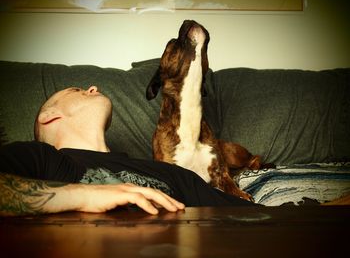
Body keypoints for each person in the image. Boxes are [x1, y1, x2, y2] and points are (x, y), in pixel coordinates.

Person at [0, 86, 257, 217]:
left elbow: (250, 219)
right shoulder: (40, 158)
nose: (91, 87)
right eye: (76, 91)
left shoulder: (170, 173)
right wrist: (85, 197)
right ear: (49, 116)